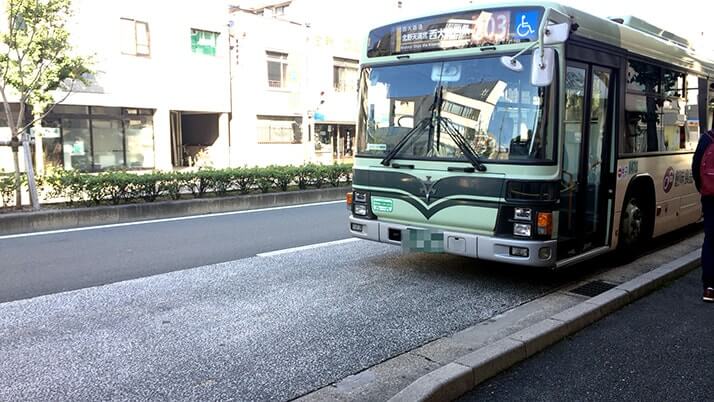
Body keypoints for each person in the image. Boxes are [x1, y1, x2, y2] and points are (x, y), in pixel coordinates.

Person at [692, 129, 714, 302]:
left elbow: (695, 166)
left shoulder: (707, 138)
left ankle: (709, 287)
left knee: (711, 240)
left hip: (710, 198)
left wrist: (703, 189)